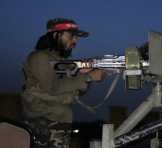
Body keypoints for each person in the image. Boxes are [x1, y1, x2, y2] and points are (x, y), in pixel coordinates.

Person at [21, 18, 106, 148]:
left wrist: (85, 74)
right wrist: (88, 77)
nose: (75, 41)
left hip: (59, 122)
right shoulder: (39, 57)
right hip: (42, 124)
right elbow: (52, 87)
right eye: (71, 36)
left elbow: (76, 92)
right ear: (56, 35)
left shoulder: (61, 62)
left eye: (76, 37)